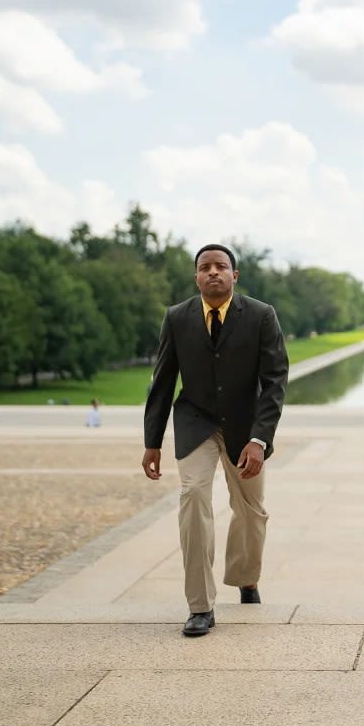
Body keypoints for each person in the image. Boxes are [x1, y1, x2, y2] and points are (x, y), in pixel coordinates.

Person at [142, 243, 290, 638]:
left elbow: (275, 382)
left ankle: (245, 577)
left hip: (246, 427)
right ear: (196, 277)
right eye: (204, 267)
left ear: (234, 275)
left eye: (220, 266)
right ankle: (200, 605)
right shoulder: (177, 318)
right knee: (192, 497)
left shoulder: (261, 316)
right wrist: (152, 441)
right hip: (196, 422)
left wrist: (259, 440)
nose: (213, 272)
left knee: (251, 510)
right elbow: (162, 382)